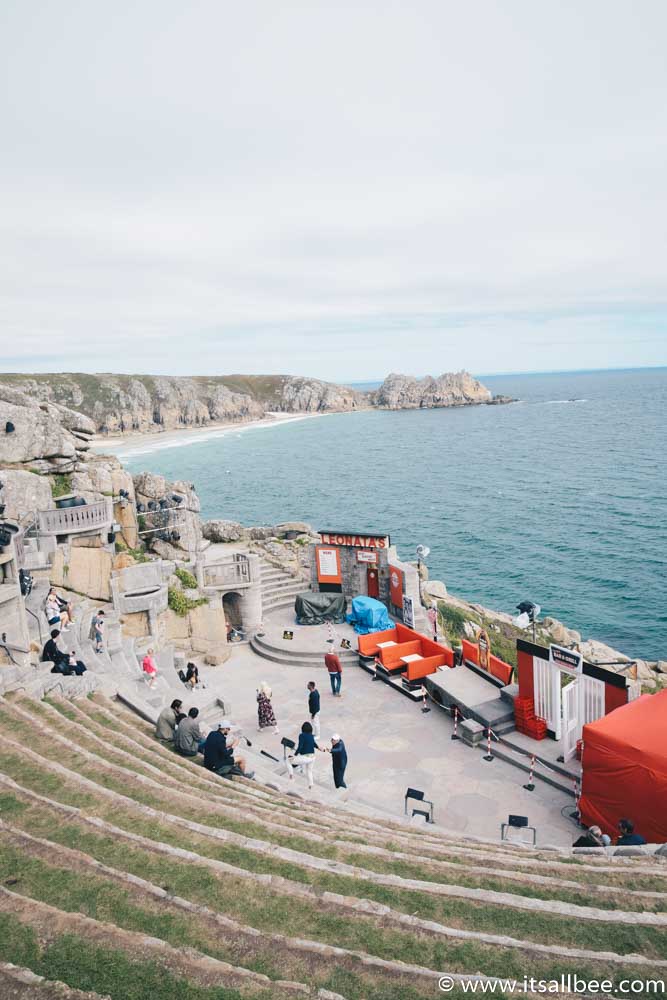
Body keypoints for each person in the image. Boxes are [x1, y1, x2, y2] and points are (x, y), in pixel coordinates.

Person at [290, 721, 323, 789]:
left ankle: (291, 778)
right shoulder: (311, 735)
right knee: (309, 771)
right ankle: (311, 785)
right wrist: (319, 748)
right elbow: (314, 743)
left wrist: (295, 755)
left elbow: (300, 747)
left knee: (288, 761)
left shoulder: (301, 735)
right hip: (312, 757)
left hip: (306, 757)